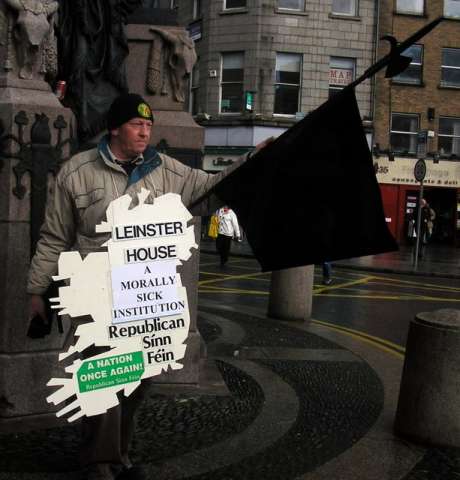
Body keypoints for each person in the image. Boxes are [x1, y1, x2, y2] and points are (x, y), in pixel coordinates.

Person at [26, 93, 268, 480]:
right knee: (103, 374)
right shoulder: (77, 171)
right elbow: (54, 237)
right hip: (97, 292)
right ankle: (100, 463)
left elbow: (211, 190)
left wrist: (252, 160)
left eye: (149, 126)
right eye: (137, 125)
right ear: (115, 129)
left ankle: (118, 454)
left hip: (146, 295)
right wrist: (37, 292)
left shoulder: (166, 170)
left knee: (138, 379)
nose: (144, 132)